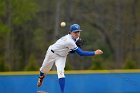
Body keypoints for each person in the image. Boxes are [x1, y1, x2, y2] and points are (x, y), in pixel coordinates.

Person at [37, 24, 103, 93]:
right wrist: (94, 52)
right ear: (70, 32)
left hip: (62, 56)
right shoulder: (69, 41)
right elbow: (81, 53)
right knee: (44, 69)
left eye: (78, 32)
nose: (77, 33)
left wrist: (74, 49)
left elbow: (71, 51)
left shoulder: (76, 39)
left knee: (61, 72)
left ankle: (62, 92)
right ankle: (41, 78)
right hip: (52, 53)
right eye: (75, 32)